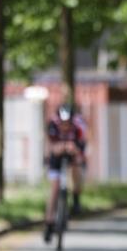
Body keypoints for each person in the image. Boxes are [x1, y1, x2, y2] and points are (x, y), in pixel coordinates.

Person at [43, 103, 86, 243]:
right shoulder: (53, 125)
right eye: (63, 123)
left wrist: (75, 151)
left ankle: (76, 197)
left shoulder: (78, 127)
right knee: (54, 188)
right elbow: (49, 146)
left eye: (67, 123)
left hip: (72, 154)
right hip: (56, 155)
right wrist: (58, 148)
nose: (65, 126)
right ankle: (49, 223)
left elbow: (81, 149)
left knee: (76, 169)